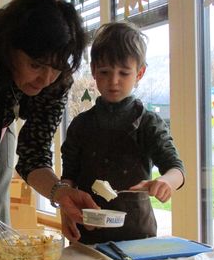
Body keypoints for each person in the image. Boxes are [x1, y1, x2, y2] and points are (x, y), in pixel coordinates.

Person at [0, 0, 99, 257]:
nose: (45, 79)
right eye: (35, 65)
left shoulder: (56, 82)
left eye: (56, 68)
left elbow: (34, 155)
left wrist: (61, 193)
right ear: (9, 49)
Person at [60, 22, 185, 244]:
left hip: (137, 236)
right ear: (94, 71)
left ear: (140, 73)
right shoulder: (81, 125)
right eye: (105, 72)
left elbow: (176, 169)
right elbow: (68, 177)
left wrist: (167, 182)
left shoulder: (148, 123)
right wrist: (65, 211)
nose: (113, 81)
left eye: (124, 73)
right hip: (88, 234)